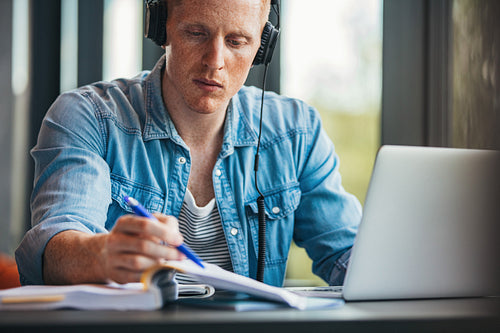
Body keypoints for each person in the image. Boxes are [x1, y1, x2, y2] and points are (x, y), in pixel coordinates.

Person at [15, 0, 361, 287]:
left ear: (262, 45)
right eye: (197, 33)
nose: (215, 61)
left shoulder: (296, 132)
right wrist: (101, 253)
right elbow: (51, 248)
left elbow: (349, 256)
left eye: (237, 41)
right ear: (161, 27)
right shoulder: (89, 117)